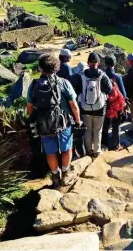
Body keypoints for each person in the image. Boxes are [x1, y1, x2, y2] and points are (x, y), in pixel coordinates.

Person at [27, 53, 81, 189]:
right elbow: (74, 106)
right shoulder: (63, 83)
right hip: (64, 124)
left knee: (50, 152)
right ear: (56, 67)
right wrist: (78, 120)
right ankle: (65, 173)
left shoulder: (33, 85)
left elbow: (29, 109)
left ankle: (55, 177)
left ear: (40, 67)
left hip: (44, 125)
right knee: (66, 149)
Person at [70, 52, 113, 158]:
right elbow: (109, 89)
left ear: (88, 63)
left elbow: (75, 89)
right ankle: (97, 150)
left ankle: (88, 150)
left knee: (88, 130)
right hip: (100, 107)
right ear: (98, 63)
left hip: (85, 108)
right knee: (98, 130)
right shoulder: (102, 75)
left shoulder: (81, 75)